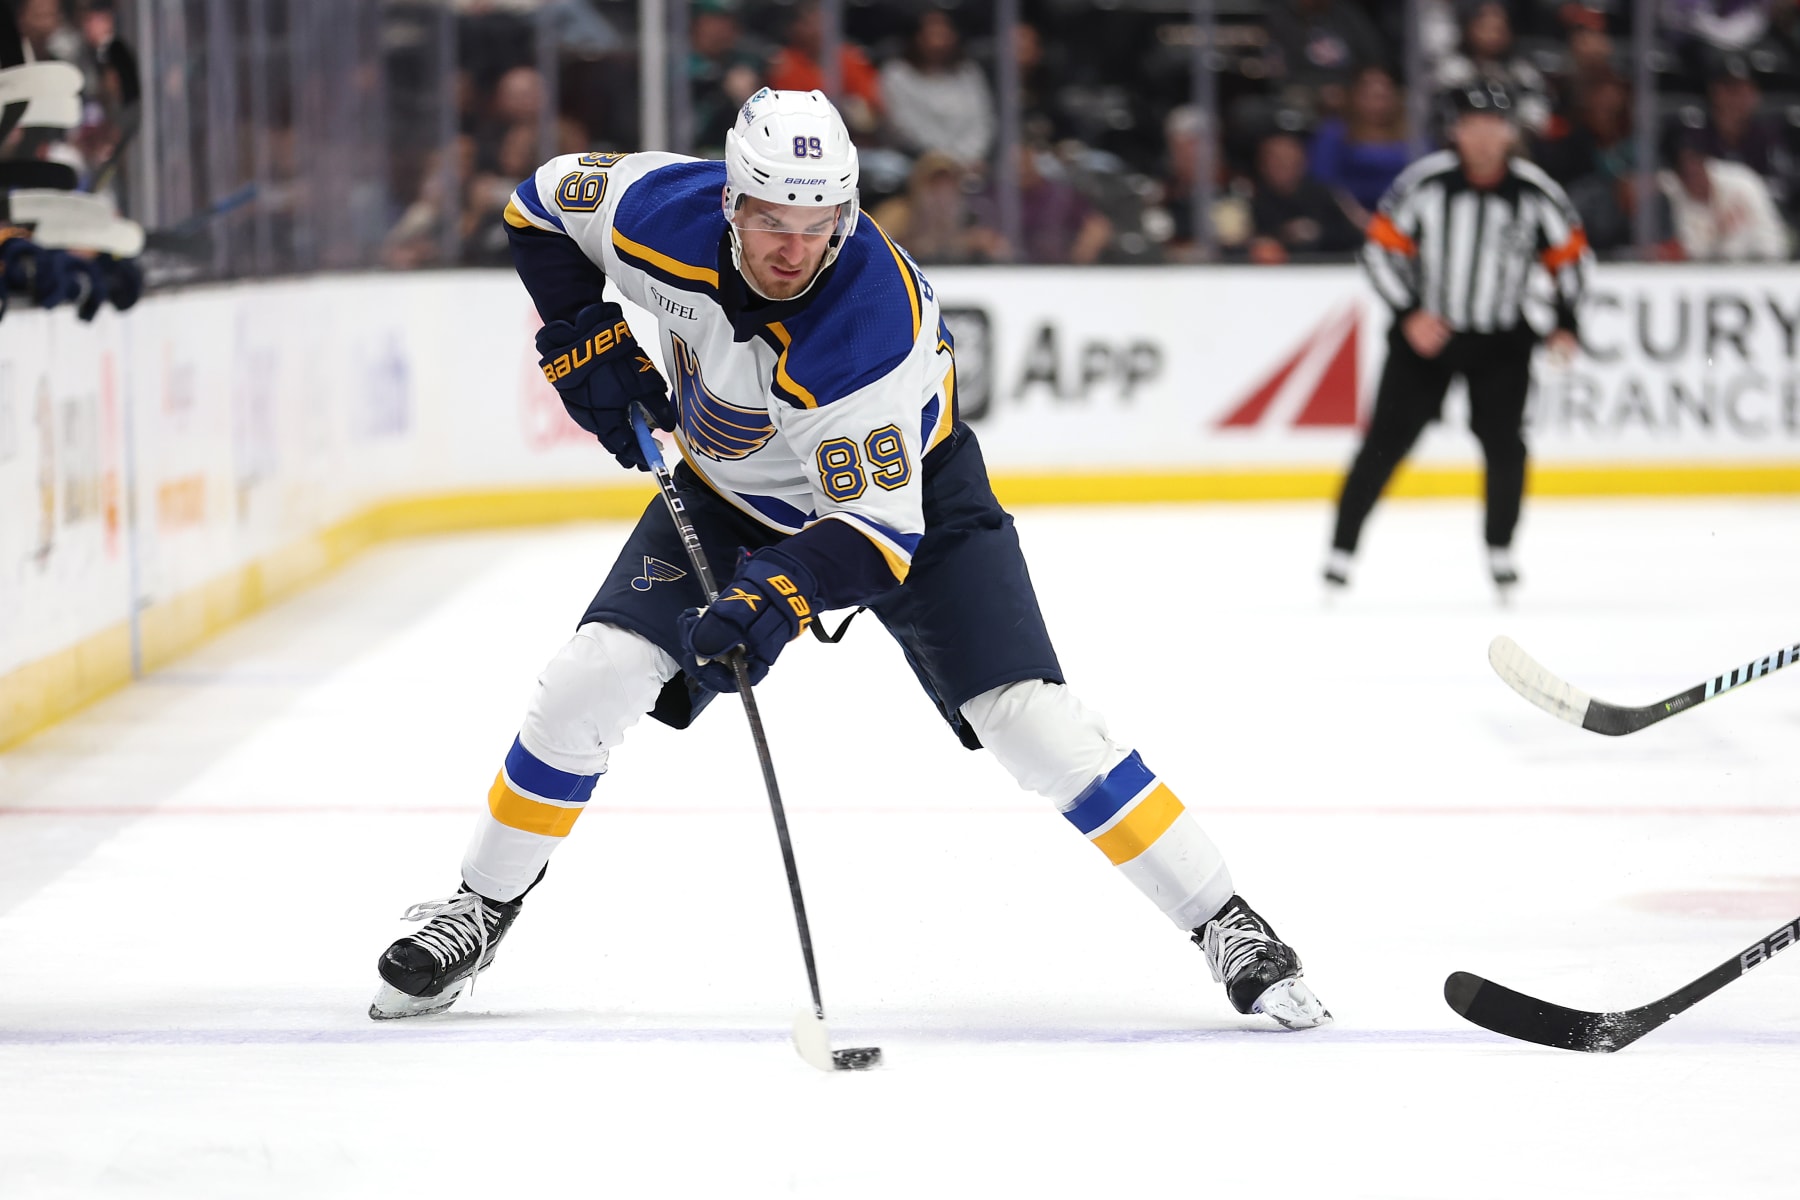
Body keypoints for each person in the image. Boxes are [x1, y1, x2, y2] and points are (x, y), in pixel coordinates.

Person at [367, 88, 1330, 1033]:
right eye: (772, 221)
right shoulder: (659, 211)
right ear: (730, 202)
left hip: (917, 505)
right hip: (728, 491)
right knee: (592, 675)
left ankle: (1225, 920)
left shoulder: (868, 327)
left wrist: (773, 596)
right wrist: (582, 331)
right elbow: (536, 206)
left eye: (818, 223)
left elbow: (873, 537)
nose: (794, 248)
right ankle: (478, 907)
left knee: (1032, 722)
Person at [1325, 82, 1591, 595]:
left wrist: (1566, 323)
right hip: (1428, 340)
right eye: (1474, 126)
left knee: (1505, 446)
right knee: (1384, 443)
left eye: (1494, 126)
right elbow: (1379, 250)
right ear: (1457, 132)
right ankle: (1341, 550)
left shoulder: (1535, 193)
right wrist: (1409, 313)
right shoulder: (1426, 184)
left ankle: (1500, 549)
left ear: (1510, 133)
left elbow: (1572, 260)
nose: (1484, 138)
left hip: (1501, 340)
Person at [879, 9, 995, 169]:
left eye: (944, 34)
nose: (939, 43)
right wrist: (943, 159)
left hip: (969, 162)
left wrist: (966, 156)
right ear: (918, 37)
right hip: (914, 161)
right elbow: (903, 125)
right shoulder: (897, 74)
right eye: (932, 34)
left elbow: (983, 122)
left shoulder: (969, 72)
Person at [1658, 133, 1790, 261]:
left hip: (1762, 265)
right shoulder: (1677, 199)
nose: (1694, 174)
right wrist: (1718, 231)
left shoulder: (1741, 182)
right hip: (1713, 272)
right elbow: (1693, 252)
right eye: (1687, 173)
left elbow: (1772, 237)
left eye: (1696, 163)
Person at [1310, 66, 1414, 224]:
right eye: (1370, 96)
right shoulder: (1334, 133)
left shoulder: (1412, 134)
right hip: (1347, 218)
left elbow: (1424, 175)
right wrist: (1361, 219)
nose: (1378, 104)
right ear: (1354, 96)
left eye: (1383, 96)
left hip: (1402, 217)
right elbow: (1325, 183)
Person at [1247, 131, 1362, 263]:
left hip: (1320, 267)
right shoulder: (1250, 197)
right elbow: (1239, 241)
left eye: (1288, 159)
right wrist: (1281, 235)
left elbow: (1353, 237)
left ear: (1302, 161)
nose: (1283, 164)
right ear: (1262, 164)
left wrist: (1318, 232)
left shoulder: (1322, 195)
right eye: (1275, 159)